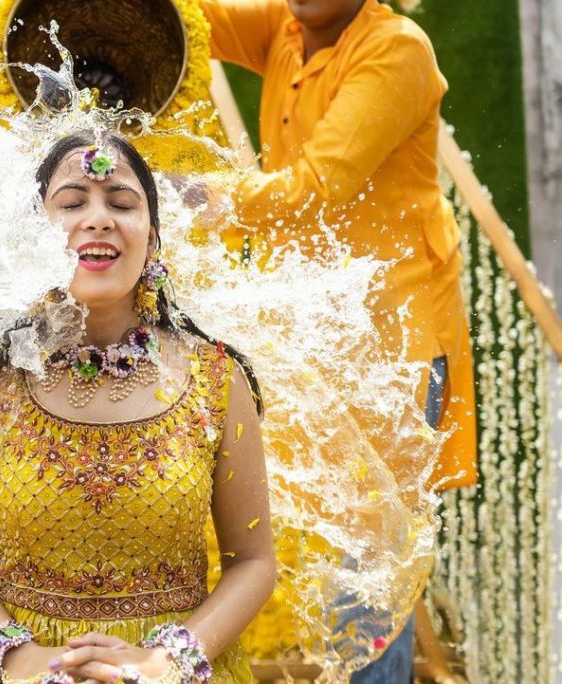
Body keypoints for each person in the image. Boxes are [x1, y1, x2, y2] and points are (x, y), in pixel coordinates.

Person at [0, 130, 277, 683]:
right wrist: (18, 656)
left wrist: (169, 661)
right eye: (71, 203)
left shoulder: (215, 377)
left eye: (121, 203)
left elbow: (254, 563)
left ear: (154, 240)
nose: (98, 218)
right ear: (31, 237)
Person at [199, 0, 477, 680]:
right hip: (320, 343)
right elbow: (187, 16)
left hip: (392, 350)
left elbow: (321, 185)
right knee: (341, 565)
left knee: (367, 573)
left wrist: (202, 198)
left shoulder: (396, 50)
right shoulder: (286, 31)